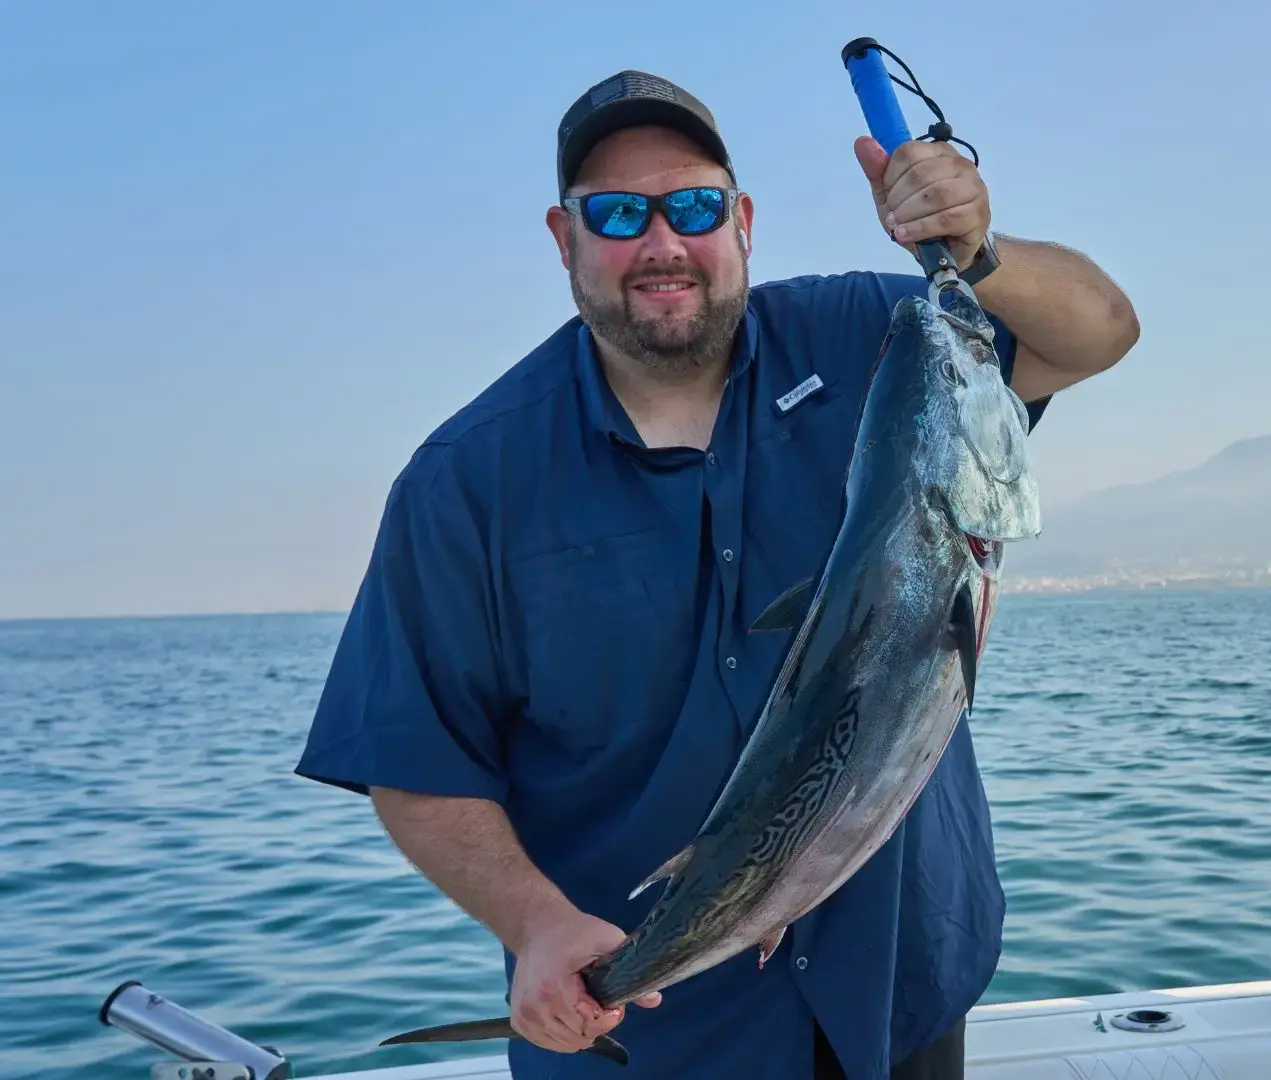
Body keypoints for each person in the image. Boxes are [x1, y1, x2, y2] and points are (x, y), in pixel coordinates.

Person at [295, 67, 1137, 1080]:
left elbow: (1097, 332)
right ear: (565, 241)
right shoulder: (465, 484)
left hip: (897, 995)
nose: (662, 244)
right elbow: (414, 762)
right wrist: (539, 923)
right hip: (651, 1036)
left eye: (693, 206)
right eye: (616, 215)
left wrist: (980, 256)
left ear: (741, 221)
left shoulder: (886, 338)